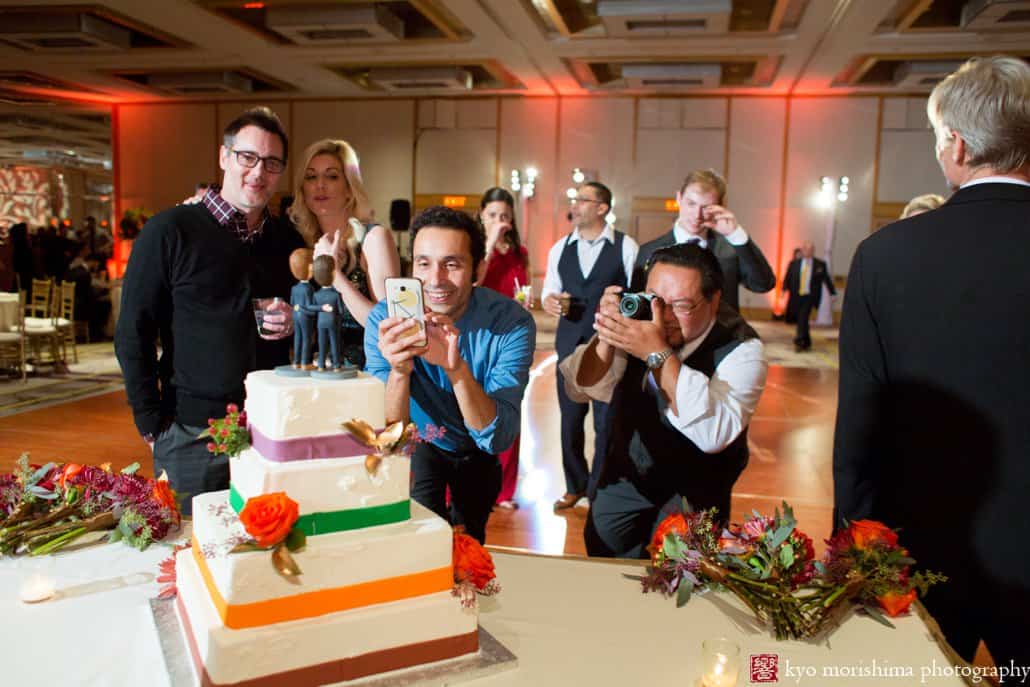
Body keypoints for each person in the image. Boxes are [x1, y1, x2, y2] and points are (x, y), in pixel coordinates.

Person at [833, 56, 1030, 667]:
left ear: (958, 144)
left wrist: (856, 544)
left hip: (921, 551)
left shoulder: (885, 256)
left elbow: (861, 420)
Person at [115, 106, 297, 515]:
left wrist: (293, 320)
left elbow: (303, 322)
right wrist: (150, 422)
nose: (257, 172)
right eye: (247, 157)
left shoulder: (285, 240)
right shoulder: (170, 230)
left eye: (271, 163)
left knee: (262, 554)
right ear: (224, 157)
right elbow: (133, 333)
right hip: (189, 432)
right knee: (186, 554)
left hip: (266, 431)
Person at [561, 243, 767, 558]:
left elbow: (714, 434)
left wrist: (656, 352)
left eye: (681, 305)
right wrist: (606, 335)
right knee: (603, 552)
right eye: (656, 299)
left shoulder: (743, 348)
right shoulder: (641, 316)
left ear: (714, 301)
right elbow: (582, 386)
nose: (664, 316)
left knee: (682, 575)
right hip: (630, 471)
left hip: (699, 485)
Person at [365, 206, 535, 544]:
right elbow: (389, 440)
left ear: (479, 269)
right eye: (423, 263)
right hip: (422, 444)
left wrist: (455, 369)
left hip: (478, 450)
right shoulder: (385, 320)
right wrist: (399, 370)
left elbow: (497, 437)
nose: (435, 280)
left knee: (470, 545)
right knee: (423, 542)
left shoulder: (509, 323)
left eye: (452, 264)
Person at [541, 182, 639, 511]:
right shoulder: (560, 247)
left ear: (602, 208)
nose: (576, 205)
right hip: (569, 344)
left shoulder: (626, 247)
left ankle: (599, 489)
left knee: (605, 423)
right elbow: (549, 291)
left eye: (584, 200)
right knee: (570, 421)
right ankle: (575, 485)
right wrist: (550, 302)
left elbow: (638, 296)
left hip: (609, 344)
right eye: (576, 199)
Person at [290, 139, 400, 368]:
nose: (320, 185)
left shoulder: (373, 239)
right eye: (311, 177)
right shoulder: (301, 242)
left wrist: (336, 277)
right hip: (316, 378)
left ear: (350, 187)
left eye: (331, 176)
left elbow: (387, 327)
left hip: (365, 379)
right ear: (303, 188)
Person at [633, 169, 775, 312]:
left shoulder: (730, 248)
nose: (697, 215)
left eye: (706, 207)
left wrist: (735, 234)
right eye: (691, 204)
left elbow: (763, 284)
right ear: (679, 198)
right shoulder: (649, 251)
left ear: (720, 207)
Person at [476, 187, 530, 510]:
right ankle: (472, 484)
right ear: (482, 214)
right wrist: (489, 243)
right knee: (476, 412)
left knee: (507, 412)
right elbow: (473, 283)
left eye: (505, 216)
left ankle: (503, 491)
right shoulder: (474, 249)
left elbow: (519, 287)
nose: (500, 221)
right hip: (481, 334)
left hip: (509, 335)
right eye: (493, 215)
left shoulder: (519, 251)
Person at [783, 241, 835, 352]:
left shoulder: (820, 264)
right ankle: (807, 341)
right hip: (796, 296)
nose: (809, 251)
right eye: (806, 249)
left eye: (811, 249)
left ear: (813, 251)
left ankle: (799, 340)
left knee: (803, 317)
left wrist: (832, 293)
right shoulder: (794, 263)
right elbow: (787, 277)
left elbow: (827, 279)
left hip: (810, 296)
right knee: (802, 319)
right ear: (802, 250)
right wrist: (784, 290)